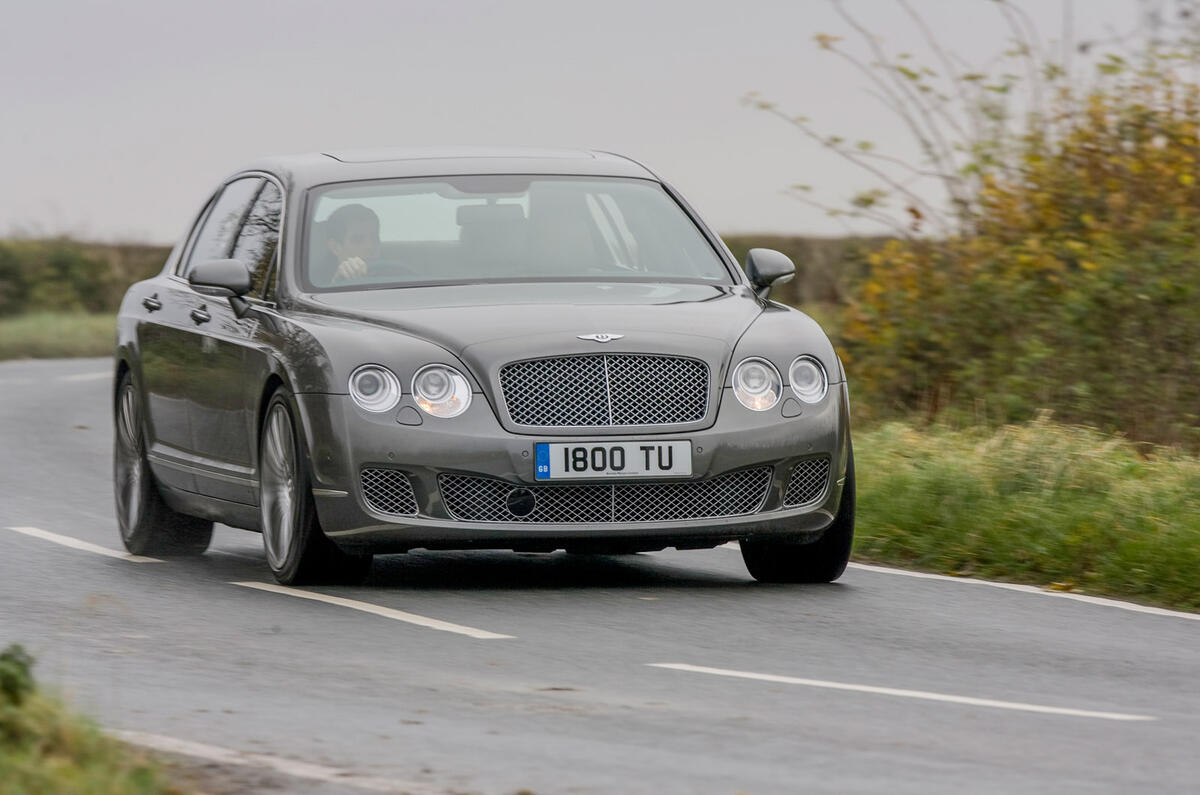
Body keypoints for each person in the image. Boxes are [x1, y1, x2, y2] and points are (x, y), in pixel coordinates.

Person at [320, 203, 381, 285]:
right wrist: (337, 283)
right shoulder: (315, 284)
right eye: (357, 240)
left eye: (374, 238)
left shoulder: (396, 274)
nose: (370, 246)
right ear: (335, 247)